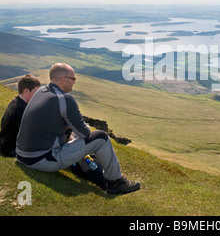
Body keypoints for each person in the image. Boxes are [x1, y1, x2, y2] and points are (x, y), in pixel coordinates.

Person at [16, 63, 140, 195]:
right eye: (73, 79)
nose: (74, 82)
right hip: (43, 160)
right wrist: (82, 127)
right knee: (100, 138)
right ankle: (116, 183)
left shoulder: (41, 91)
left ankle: (87, 169)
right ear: (63, 80)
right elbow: (85, 132)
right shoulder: (65, 98)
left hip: (22, 155)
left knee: (75, 136)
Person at [0, 74, 41, 157]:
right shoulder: (23, 109)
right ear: (26, 91)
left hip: (4, 145)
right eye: (35, 92)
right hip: (11, 149)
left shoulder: (15, 102)